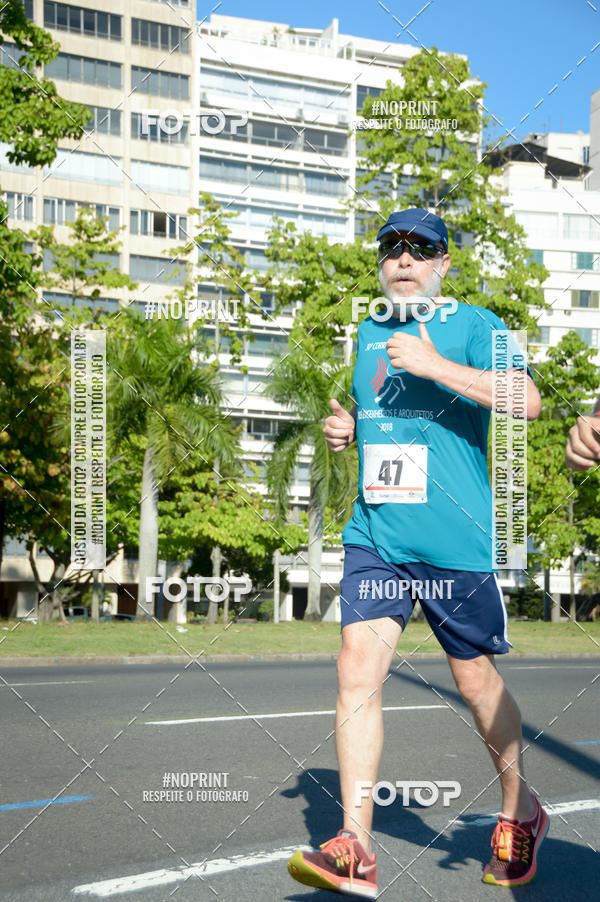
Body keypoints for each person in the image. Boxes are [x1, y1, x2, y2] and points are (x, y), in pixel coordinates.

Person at [287, 208, 547, 898]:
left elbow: (526, 401)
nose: (404, 258)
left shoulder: (476, 324)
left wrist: (436, 366)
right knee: (356, 669)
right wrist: (350, 428)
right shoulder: (369, 332)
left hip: (453, 540)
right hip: (377, 536)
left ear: (443, 263)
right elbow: (381, 412)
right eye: (392, 247)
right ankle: (356, 846)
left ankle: (521, 810)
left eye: (421, 248)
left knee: (474, 684)